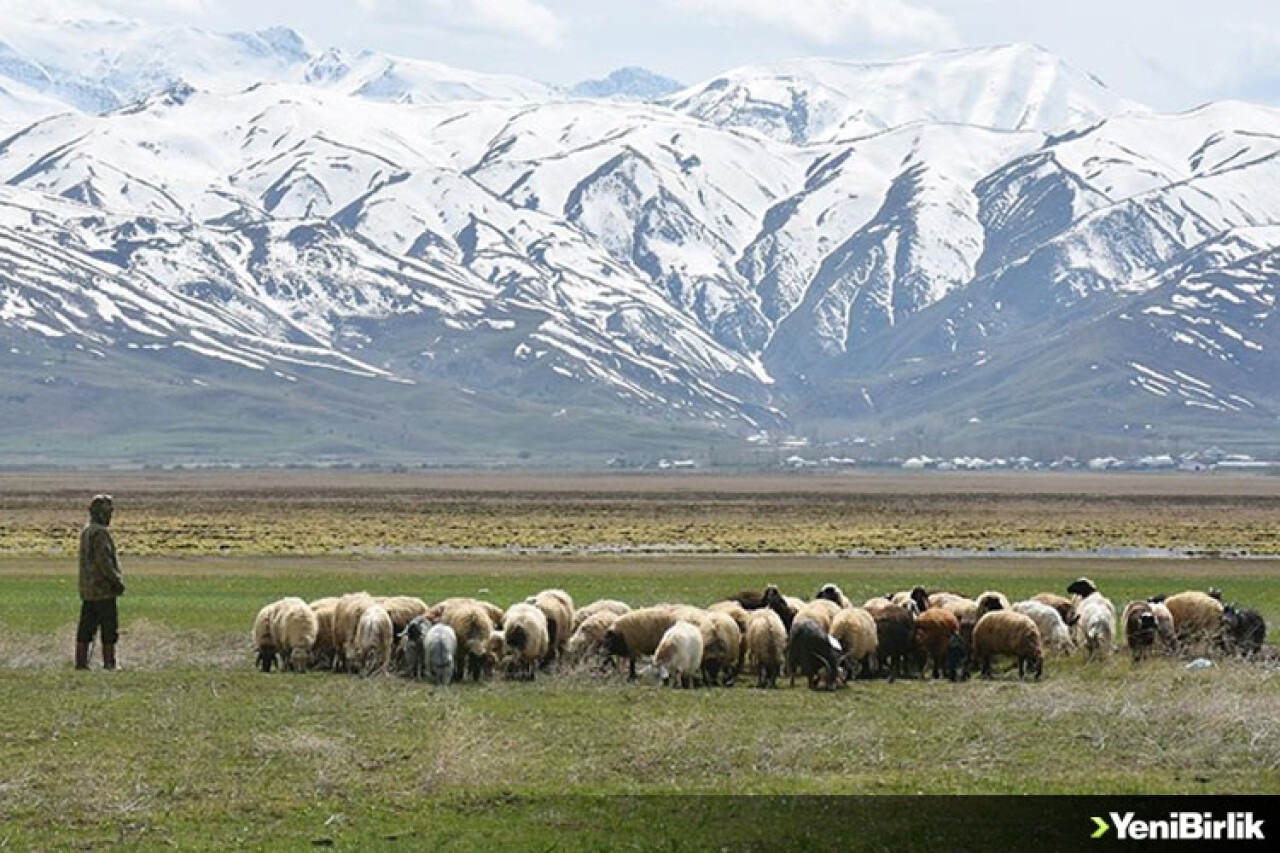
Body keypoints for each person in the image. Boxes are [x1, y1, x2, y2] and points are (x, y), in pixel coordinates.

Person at [76, 494, 125, 670]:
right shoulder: (101, 533)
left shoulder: (86, 531)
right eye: (108, 512)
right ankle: (109, 663)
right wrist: (116, 581)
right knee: (109, 629)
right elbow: (104, 561)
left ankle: (81, 663)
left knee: (86, 629)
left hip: (88, 591)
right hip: (103, 590)